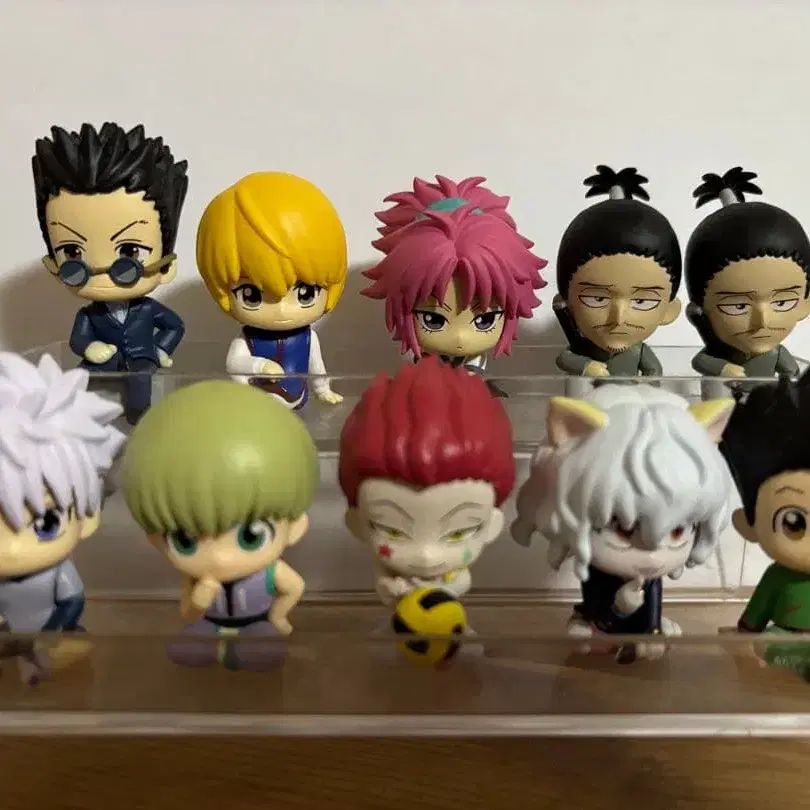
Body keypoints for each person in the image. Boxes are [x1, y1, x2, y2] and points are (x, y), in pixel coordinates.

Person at [511, 383, 733, 662]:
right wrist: (618, 608)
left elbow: (652, 606)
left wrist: (652, 630)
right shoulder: (597, 571)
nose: (653, 557)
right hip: (600, 626)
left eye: (678, 531)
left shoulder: (651, 577)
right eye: (624, 530)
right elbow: (597, 603)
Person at [121, 380, 318, 671]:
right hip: (208, 625)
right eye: (185, 540)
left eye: (250, 536)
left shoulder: (269, 572)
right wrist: (198, 603)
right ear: (155, 539)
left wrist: (278, 616)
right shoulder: (193, 579)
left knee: (262, 653)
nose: (220, 558)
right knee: (186, 652)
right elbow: (187, 612)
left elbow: (294, 588)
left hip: (255, 625)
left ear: (295, 527)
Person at [32, 122, 188, 424]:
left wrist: (159, 349)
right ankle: (82, 427)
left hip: (141, 361)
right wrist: (90, 347)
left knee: (142, 384)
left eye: (129, 252)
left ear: (166, 266)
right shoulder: (89, 315)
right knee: (80, 382)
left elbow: (175, 326)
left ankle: (140, 422)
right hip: (103, 362)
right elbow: (78, 339)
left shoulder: (148, 309)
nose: (101, 272)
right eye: (73, 253)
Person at [0, 351, 125, 683]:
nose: (11, 549)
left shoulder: (58, 572)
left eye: (46, 523)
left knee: (71, 647)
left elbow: (71, 603)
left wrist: (51, 632)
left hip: (48, 636)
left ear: (89, 518)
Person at [196, 172, 347, 410]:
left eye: (305, 293)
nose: (281, 310)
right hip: (258, 405)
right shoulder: (247, 340)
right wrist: (259, 366)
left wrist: (323, 390)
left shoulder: (308, 338)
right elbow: (235, 365)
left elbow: (316, 366)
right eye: (252, 295)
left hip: (298, 399)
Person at [721, 369, 810, 679]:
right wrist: (747, 630)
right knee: (771, 642)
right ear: (748, 524)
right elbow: (754, 618)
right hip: (786, 639)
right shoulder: (778, 576)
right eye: (794, 523)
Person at [553, 165, 682, 379]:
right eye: (597, 299)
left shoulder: (638, 350)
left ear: (669, 311)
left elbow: (653, 372)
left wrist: (648, 391)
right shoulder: (584, 348)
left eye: (642, 301)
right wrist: (586, 366)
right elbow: (564, 359)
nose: (618, 318)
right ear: (567, 305)